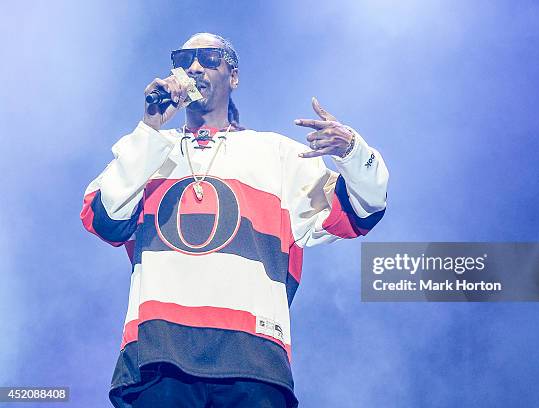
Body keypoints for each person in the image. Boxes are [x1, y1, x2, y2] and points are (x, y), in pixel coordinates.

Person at [80, 32, 389, 407]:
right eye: (184, 58)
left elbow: (362, 210)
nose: (194, 67)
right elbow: (103, 217)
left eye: (209, 57)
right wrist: (150, 128)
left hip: (253, 360)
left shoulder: (277, 155)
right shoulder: (149, 150)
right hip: (158, 358)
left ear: (234, 76)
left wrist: (354, 151)